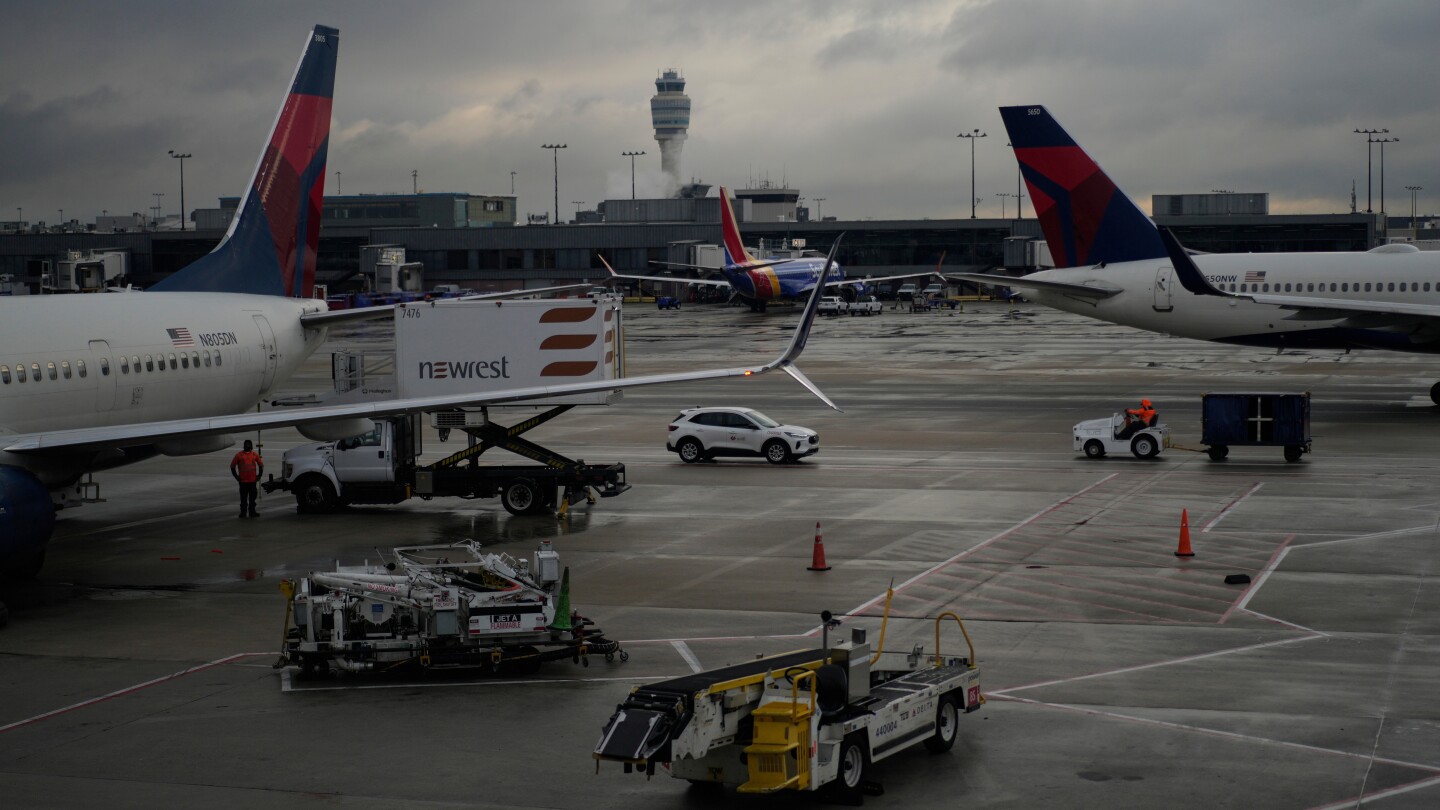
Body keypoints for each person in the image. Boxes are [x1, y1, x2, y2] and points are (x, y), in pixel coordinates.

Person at [230, 439, 264, 518]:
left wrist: (259, 475)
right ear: (244, 445)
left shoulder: (254, 455)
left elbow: (261, 465)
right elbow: (232, 466)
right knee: (243, 498)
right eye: (246, 444)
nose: (247, 446)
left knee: (252, 498)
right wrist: (236, 477)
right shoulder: (239, 455)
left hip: (252, 481)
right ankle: (243, 512)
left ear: (251, 446)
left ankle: (252, 511)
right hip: (243, 481)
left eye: (249, 444)